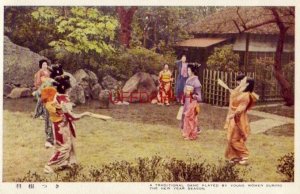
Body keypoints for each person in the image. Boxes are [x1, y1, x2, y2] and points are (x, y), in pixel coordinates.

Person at [42, 75, 86, 173]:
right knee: (64, 146)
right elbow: (70, 115)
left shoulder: (59, 97)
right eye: (68, 88)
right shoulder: (60, 99)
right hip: (61, 125)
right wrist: (85, 114)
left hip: (64, 124)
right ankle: (49, 165)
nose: (68, 90)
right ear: (65, 88)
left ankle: (66, 162)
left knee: (68, 144)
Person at [224, 75, 258, 165]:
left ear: (246, 84)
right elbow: (233, 94)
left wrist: (232, 115)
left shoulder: (246, 96)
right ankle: (234, 156)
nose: (241, 81)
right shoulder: (241, 91)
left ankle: (244, 155)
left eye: (244, 80)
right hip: (234, 117)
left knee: (234, 139)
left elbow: (241, 108)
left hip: (239, 118)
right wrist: (239, 86)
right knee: (230, 137)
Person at [181, 64, 202, 140]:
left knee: (191, 118)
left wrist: (192, 94)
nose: (188, 71)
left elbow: (199, 97)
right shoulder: (188, 79)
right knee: (186, 117)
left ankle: (192, 135)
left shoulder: (196, 82)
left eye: (189, 70)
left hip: (192, 102)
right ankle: (186, 133)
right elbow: (185, 90)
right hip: (187, 101)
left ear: (193, 71)